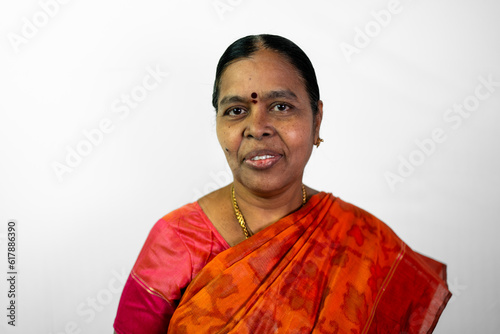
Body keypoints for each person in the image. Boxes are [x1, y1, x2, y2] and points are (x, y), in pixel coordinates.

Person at [113, 34, 451, 333]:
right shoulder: (175, 242)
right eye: (235, 110)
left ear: (317, 120)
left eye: (281, 106)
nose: (257, 127)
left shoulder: (364, 243)